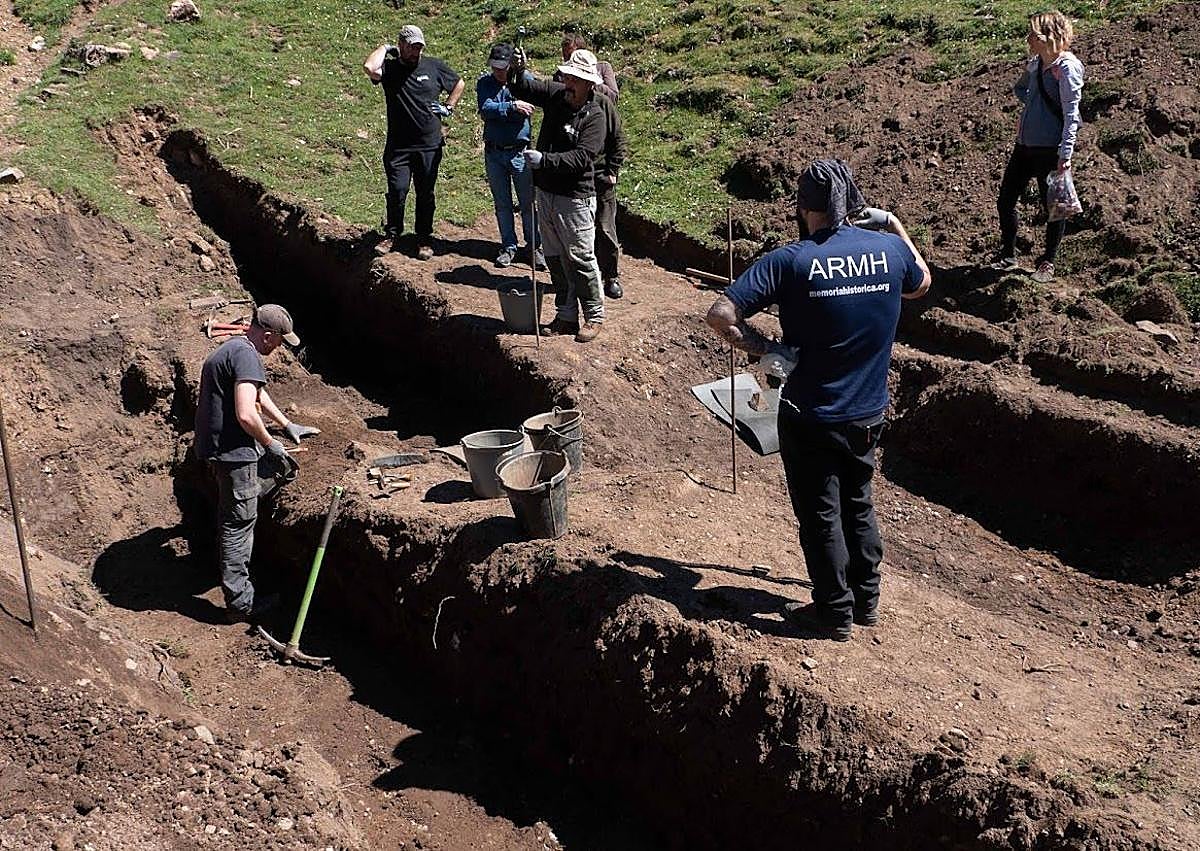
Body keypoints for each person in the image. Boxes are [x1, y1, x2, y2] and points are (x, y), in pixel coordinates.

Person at [705, 160, 931, 642]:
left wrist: (768, 349)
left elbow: (720, 313)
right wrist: (892, 223)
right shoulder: (890, 249)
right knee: (858, 499)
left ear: (804, 207)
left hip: (810, 412)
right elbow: (923, 283)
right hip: (868, 410)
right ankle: (866, 600)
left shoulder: (790, 260)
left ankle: (834, 610)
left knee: (820, 511)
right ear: (855, 202)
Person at [194, 305, 321, 623]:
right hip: (233, 453)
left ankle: (239, 509)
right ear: (268, 335)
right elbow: (247, 413)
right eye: (280, 341)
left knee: (236, 509)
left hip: (219, 448)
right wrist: (271, 443)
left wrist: (287, 424)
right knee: (238, 525)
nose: (280, 348)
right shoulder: (248, 355)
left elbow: (258, 397)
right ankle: (240, 604)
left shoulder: (233, 349)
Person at [509, 47, 608, 343]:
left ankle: (594, 315)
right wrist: (519, 70)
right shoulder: (556, 95)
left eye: (575, 79)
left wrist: (544, 160)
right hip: (547, 193)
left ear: (589, 83)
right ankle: (566, 315)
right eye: (567, 76)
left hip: (575, 198)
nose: (569, 82)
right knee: (554, 257)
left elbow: (582, 158)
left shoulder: (595, 116)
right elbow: (525, 87)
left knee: (580, 257)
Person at [992, 10, 1084, 283]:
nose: (1028, 38)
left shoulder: (1066, 69)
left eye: (1033, 34)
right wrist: (1034, 105)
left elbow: (1071, 115)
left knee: (1054, 207)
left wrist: (1065, 154)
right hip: (1024, 146)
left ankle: (1048, 263)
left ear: (1048, 37)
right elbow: (1020, 90)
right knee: (1005, 201)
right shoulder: (1036, 64)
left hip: (1050, 150)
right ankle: (1008, 255)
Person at [363, 25, 465, 260]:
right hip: (399, 147)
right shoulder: (389, 69)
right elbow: (369, 67)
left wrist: (449, 106)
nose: (416, 51)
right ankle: (392, 234)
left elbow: (458, 83)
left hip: (429, 145)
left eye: (419, 47)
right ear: (401, 45)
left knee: (425, 193)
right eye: (411, 46)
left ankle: (424, 238)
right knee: (397, 191)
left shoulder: (434, 66)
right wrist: (385, 47)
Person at [476, 42, 545, 270]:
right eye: (494, 67)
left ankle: (534, 247)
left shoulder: (522, 82)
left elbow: (534, 99)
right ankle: (508, 246)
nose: (498, 71)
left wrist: (522, 71)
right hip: (494, 153)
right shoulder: (485, 83)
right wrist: (512, 106)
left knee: (528, 203)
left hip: (519, 152)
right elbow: (486, 109)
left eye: (502, 67)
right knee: (502, 203)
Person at [593, 78, 628, 300]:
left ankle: (610, 276)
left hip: (600, 176)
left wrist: (612, 170)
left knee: (605, 228)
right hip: (575, 177)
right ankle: (584, 279)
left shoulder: (603, 103)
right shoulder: (566, 101)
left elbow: (619, 139)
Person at [557, 33, 618, 101]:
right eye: (565, 55)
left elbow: (613, 97)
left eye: (571, 55)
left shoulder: (603, 67)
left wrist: (591, 82)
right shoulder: (560, 75)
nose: (567, 60)